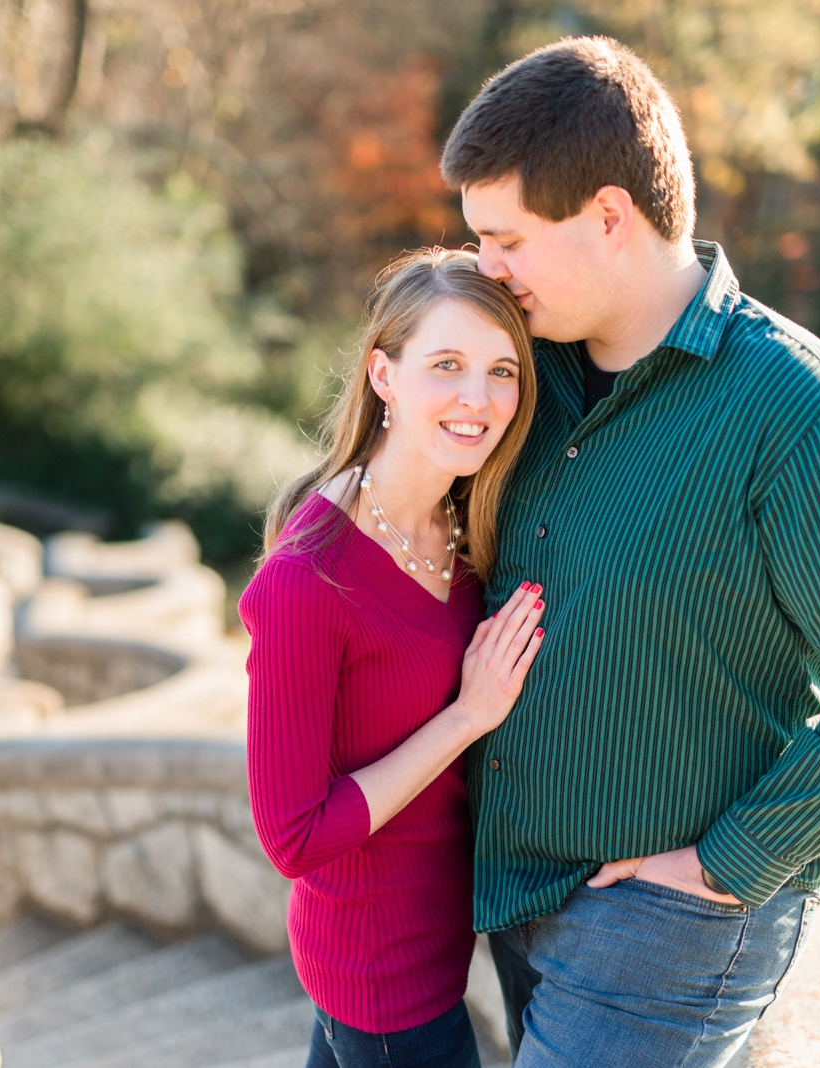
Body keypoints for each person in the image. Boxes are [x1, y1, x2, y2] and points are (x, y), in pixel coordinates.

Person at [438, 36, 820, 1067]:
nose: (482, 267)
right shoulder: (519, 378)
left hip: (670, 922)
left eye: (504, 238)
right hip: (512, 889)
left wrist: (726, 864)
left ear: (608, 216)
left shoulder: (797, 410)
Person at [239, 248, 545, 1068]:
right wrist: (467, 719)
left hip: (437, 951)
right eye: (446, 365)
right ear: (384, 375)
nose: (478, 400)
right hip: (383, 983)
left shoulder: (464, 523)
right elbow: (292, 837)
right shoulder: (307, 580)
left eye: (502, 370)